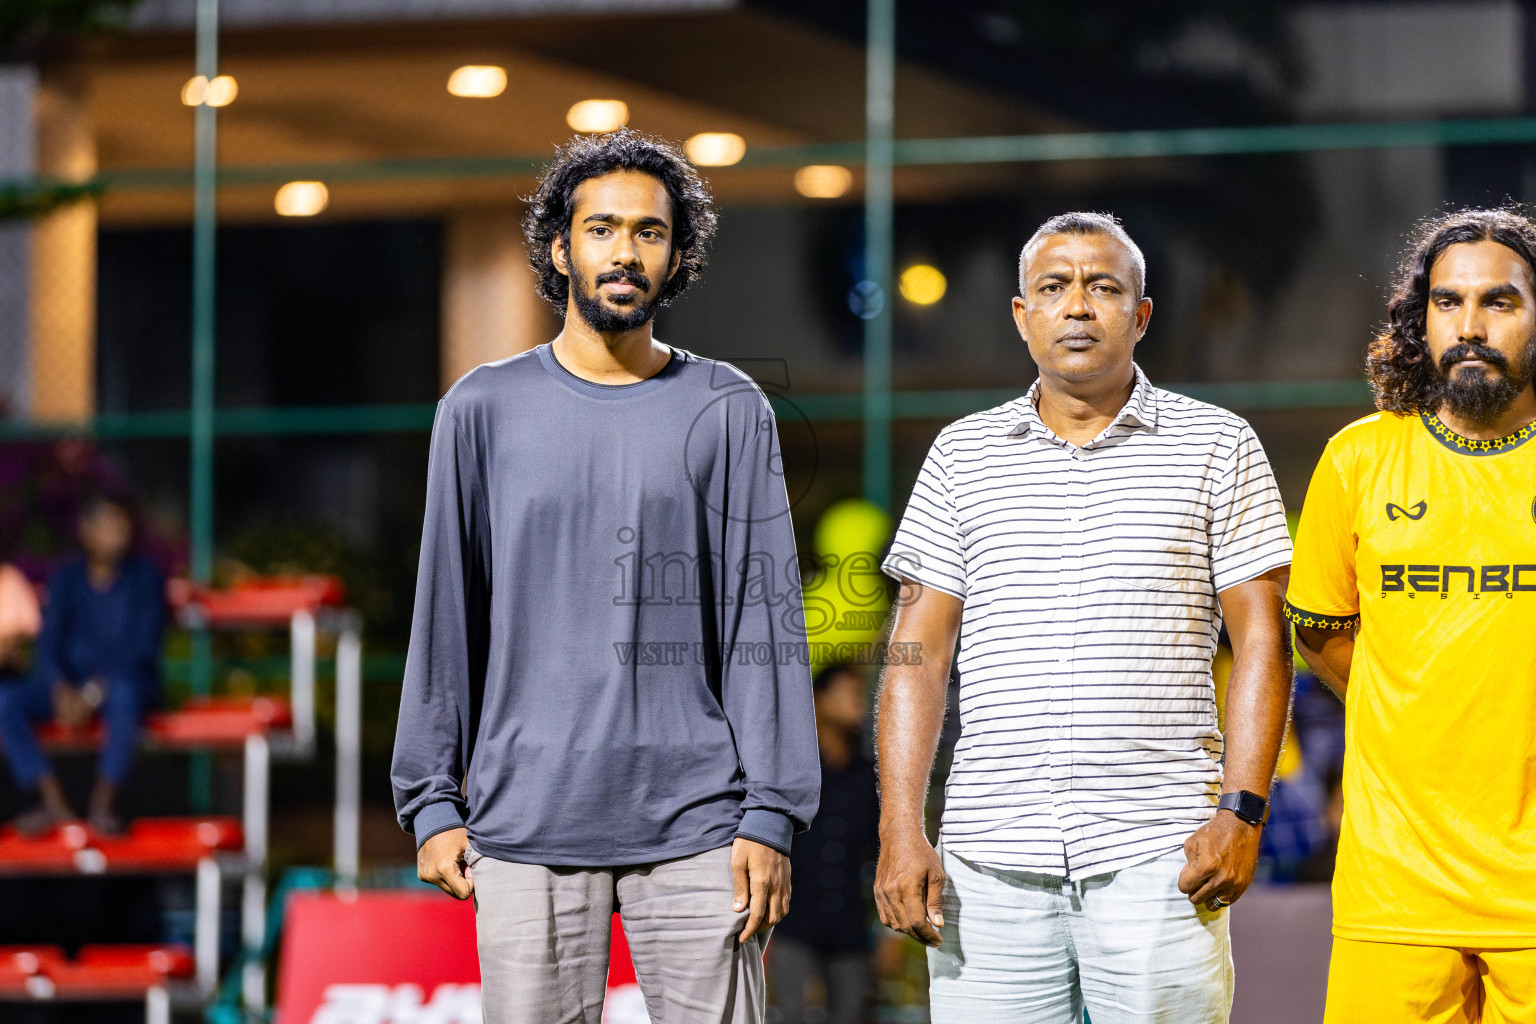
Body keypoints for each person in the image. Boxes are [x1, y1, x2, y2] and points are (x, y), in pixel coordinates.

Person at [390, 129, 819, 1024]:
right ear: (561, 247)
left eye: (650, 233)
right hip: (524, 824)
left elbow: (762, 623)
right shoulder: (480, 409)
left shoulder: (730, 409)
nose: (625, 252)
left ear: (677, 254)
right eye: (603, 229)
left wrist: (770, 813)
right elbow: (445, 614)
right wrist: (430, 800)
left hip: (705, 827)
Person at [874, 212, 1294, 1023]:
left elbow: (1262, 643)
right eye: (1053, 287)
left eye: (1104, 287)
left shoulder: (1217, 445)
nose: (1077, 306)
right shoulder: (962, 455)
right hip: (988, 861)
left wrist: (1242, 812)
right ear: (1021, 315)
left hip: (1162, 857)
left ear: (1140, 315)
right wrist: (900, 829)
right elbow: (916, 652)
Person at [1287, 207, 1536, 1023]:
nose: (1469, 325)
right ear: (1417, 317)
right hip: (1394, 888)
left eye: (1499, 302)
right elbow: (1318, 632)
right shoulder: (1358, 459)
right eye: (1446, 302)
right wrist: (1409, 705)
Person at [0, 494, 166, 836]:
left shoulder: (146, 579)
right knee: (6, 701)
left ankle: (104, 803)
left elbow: (140, 651)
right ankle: (50, 800)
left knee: (124, 696)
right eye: (109, 524)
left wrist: (89, 694)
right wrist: (60, 688)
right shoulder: (66, 579)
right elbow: (48, 646)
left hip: (122, 685)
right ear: (86, 531)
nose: (119, 532)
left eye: (123, 525)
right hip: (70, 687)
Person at [770, 663, 880, 1024]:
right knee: (790, 1014)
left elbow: (879, 853)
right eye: (848, 695)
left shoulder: (870, 775)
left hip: (851, 927)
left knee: (852, 1013)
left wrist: (887, 934)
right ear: (817, 701)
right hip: (792, 924)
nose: (859, 706)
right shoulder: (790, 771)